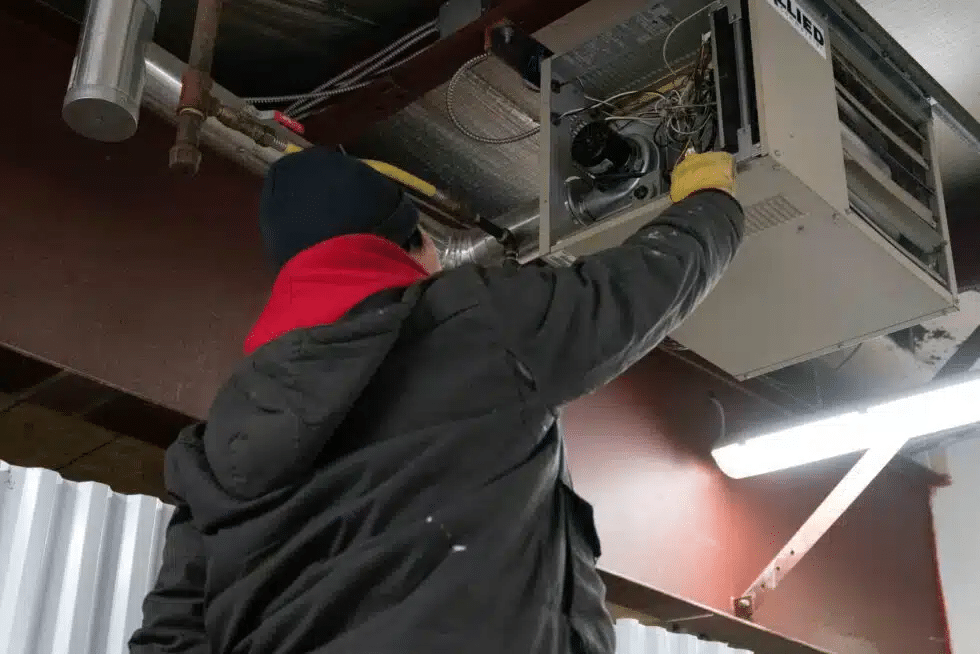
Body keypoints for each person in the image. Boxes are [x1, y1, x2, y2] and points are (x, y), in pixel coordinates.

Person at [130, 146, 743, 654]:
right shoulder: (474, 324)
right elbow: (640, 286)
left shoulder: (214, 444)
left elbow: (169, 637)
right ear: (405, 247)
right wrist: (709, 201)